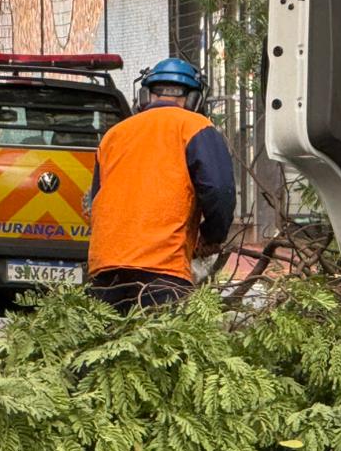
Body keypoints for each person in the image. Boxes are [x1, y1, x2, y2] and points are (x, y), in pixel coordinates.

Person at [86, 58, 236, 311]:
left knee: (107, 346)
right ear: (194, 99)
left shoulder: (114, 135)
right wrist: (212, 236)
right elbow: (219, 190)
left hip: (106, 269)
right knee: (163, 346)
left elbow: (95, 201)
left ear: (145, 95)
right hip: (163, 269)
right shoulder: (196, 126)